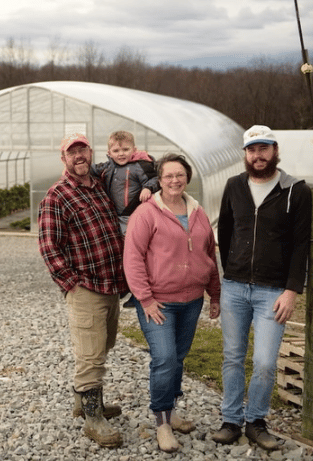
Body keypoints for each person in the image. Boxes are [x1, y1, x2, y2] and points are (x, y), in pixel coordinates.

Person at [212, 125, 312, 451]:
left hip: (273, 292)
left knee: (266, 361)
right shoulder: (234, 186)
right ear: (245, 153)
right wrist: (232, 271)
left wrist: (292, 290)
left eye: (264, 148)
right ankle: (230, 421)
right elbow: (225, 231)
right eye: (252, 149)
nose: (258, 155)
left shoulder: (295, 190)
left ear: (274, 149)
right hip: (236, 288)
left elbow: (301, 244)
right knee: (233, 357)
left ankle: (255, 421)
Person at [123, 153, 221, 452]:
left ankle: (172, 411)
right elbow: (133, 258)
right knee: (164, 358)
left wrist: (215, 294)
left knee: (178, 357)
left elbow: (208, 253)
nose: (174, 180)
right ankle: (162, 423)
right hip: (158, 302)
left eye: (179, 175)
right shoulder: (147, 213)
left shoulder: (197, 212)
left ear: (187, 177)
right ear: (159, 180)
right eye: (168, 176)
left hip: (191, 301)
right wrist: (146, 299)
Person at [38, 133, 128, 448]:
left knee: (102, 345)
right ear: (63, 158)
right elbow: (49, 246)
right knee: (90, 352)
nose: (78, 156)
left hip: (110, 284)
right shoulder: (57, 195)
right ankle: (93, 419)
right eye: (71, 151)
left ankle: (86, 402)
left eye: (82, 149)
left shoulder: (100, 186)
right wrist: (71, 284)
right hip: (86, 286)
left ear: (90, 153)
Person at [90, 130, 159, 308]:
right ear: (109, 153)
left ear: (134, 149)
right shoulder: (109, 166)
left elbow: (156, 178)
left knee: (136, 255)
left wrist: (148, 188)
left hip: (134, 216)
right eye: (116, 151)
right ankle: (125, 286)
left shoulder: (139, 166)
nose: (121, 154)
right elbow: (93, 170)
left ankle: (138, 293)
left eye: (125, 150)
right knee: (122, 254)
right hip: (116, 218)